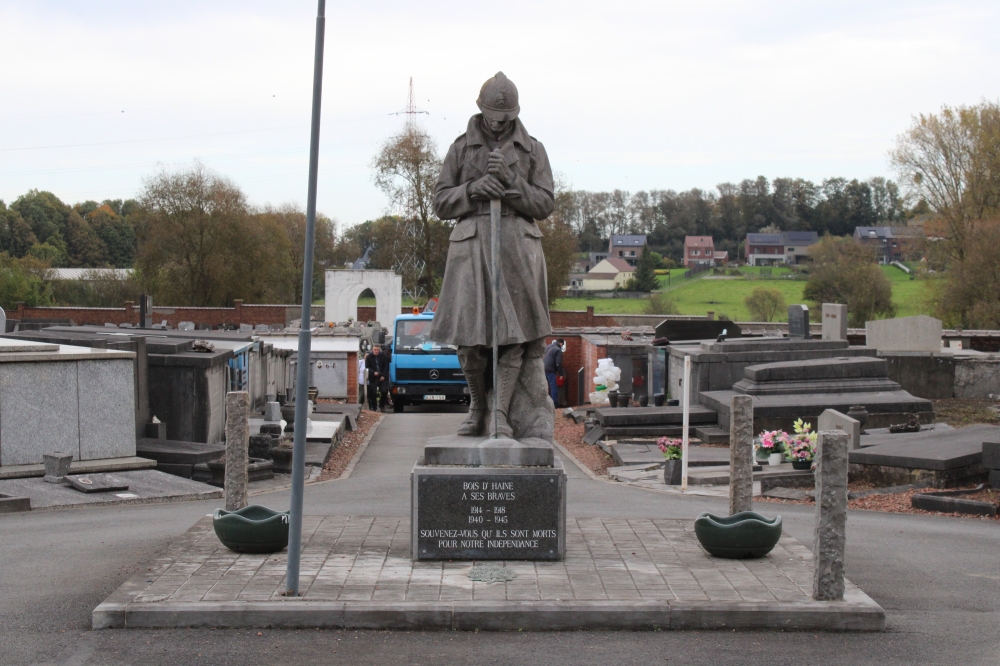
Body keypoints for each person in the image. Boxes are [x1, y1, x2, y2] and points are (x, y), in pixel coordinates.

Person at [430, 72, 555, 438]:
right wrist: (473, 189)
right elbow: (440, 201)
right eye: (492, 116)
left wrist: (513, 185)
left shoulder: (533, 149)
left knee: (512, 337)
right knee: (470, 340)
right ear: (481, 110)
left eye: (506, 118)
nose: (499, 124)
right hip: (471, 249)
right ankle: (478, 405)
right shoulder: (460, 149)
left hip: (516, 247)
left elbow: (545, 202)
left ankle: (501, 412)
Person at [365, 344, 390, 412]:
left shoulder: (383, 356)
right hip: (373, 377)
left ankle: (382, 405)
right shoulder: (369, 357)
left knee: (384, 391)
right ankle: (374, 407)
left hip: (382, 376)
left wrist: (383, 376)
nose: (376, 351)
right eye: (375, 350)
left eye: (378, 350)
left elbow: (386, 367)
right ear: (372, 350)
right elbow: (367, 367)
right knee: (373, 392)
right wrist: (373, 372)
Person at [543, 338, 564, 406]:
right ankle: (554, 403)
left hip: (542, 368)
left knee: (544, 386)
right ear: (561, 343)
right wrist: (561, 374)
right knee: (553, 387)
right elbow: (558, 363)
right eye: (562, 345)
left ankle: (544, 403)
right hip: (550, 370)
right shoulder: (558, 350)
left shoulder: (548, 347)